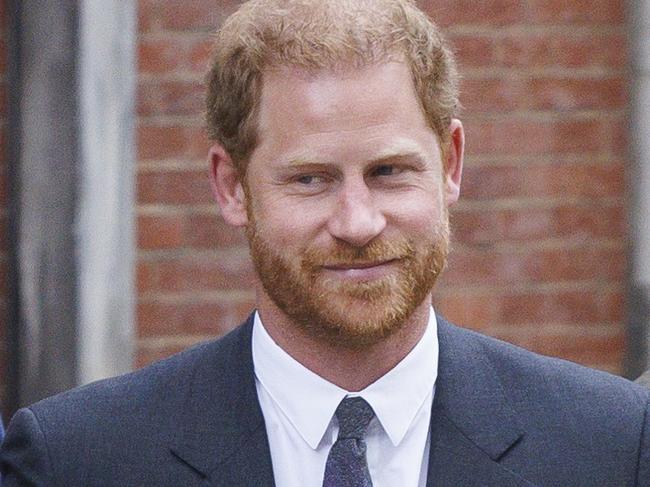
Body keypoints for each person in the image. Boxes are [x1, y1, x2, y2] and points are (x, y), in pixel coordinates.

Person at [1, 0, 649, 485]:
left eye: (389, 172)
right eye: (310, 179)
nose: (358, 222)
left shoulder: (610, 445)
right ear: (231, 186)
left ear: (451, 164)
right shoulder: (76, 459)